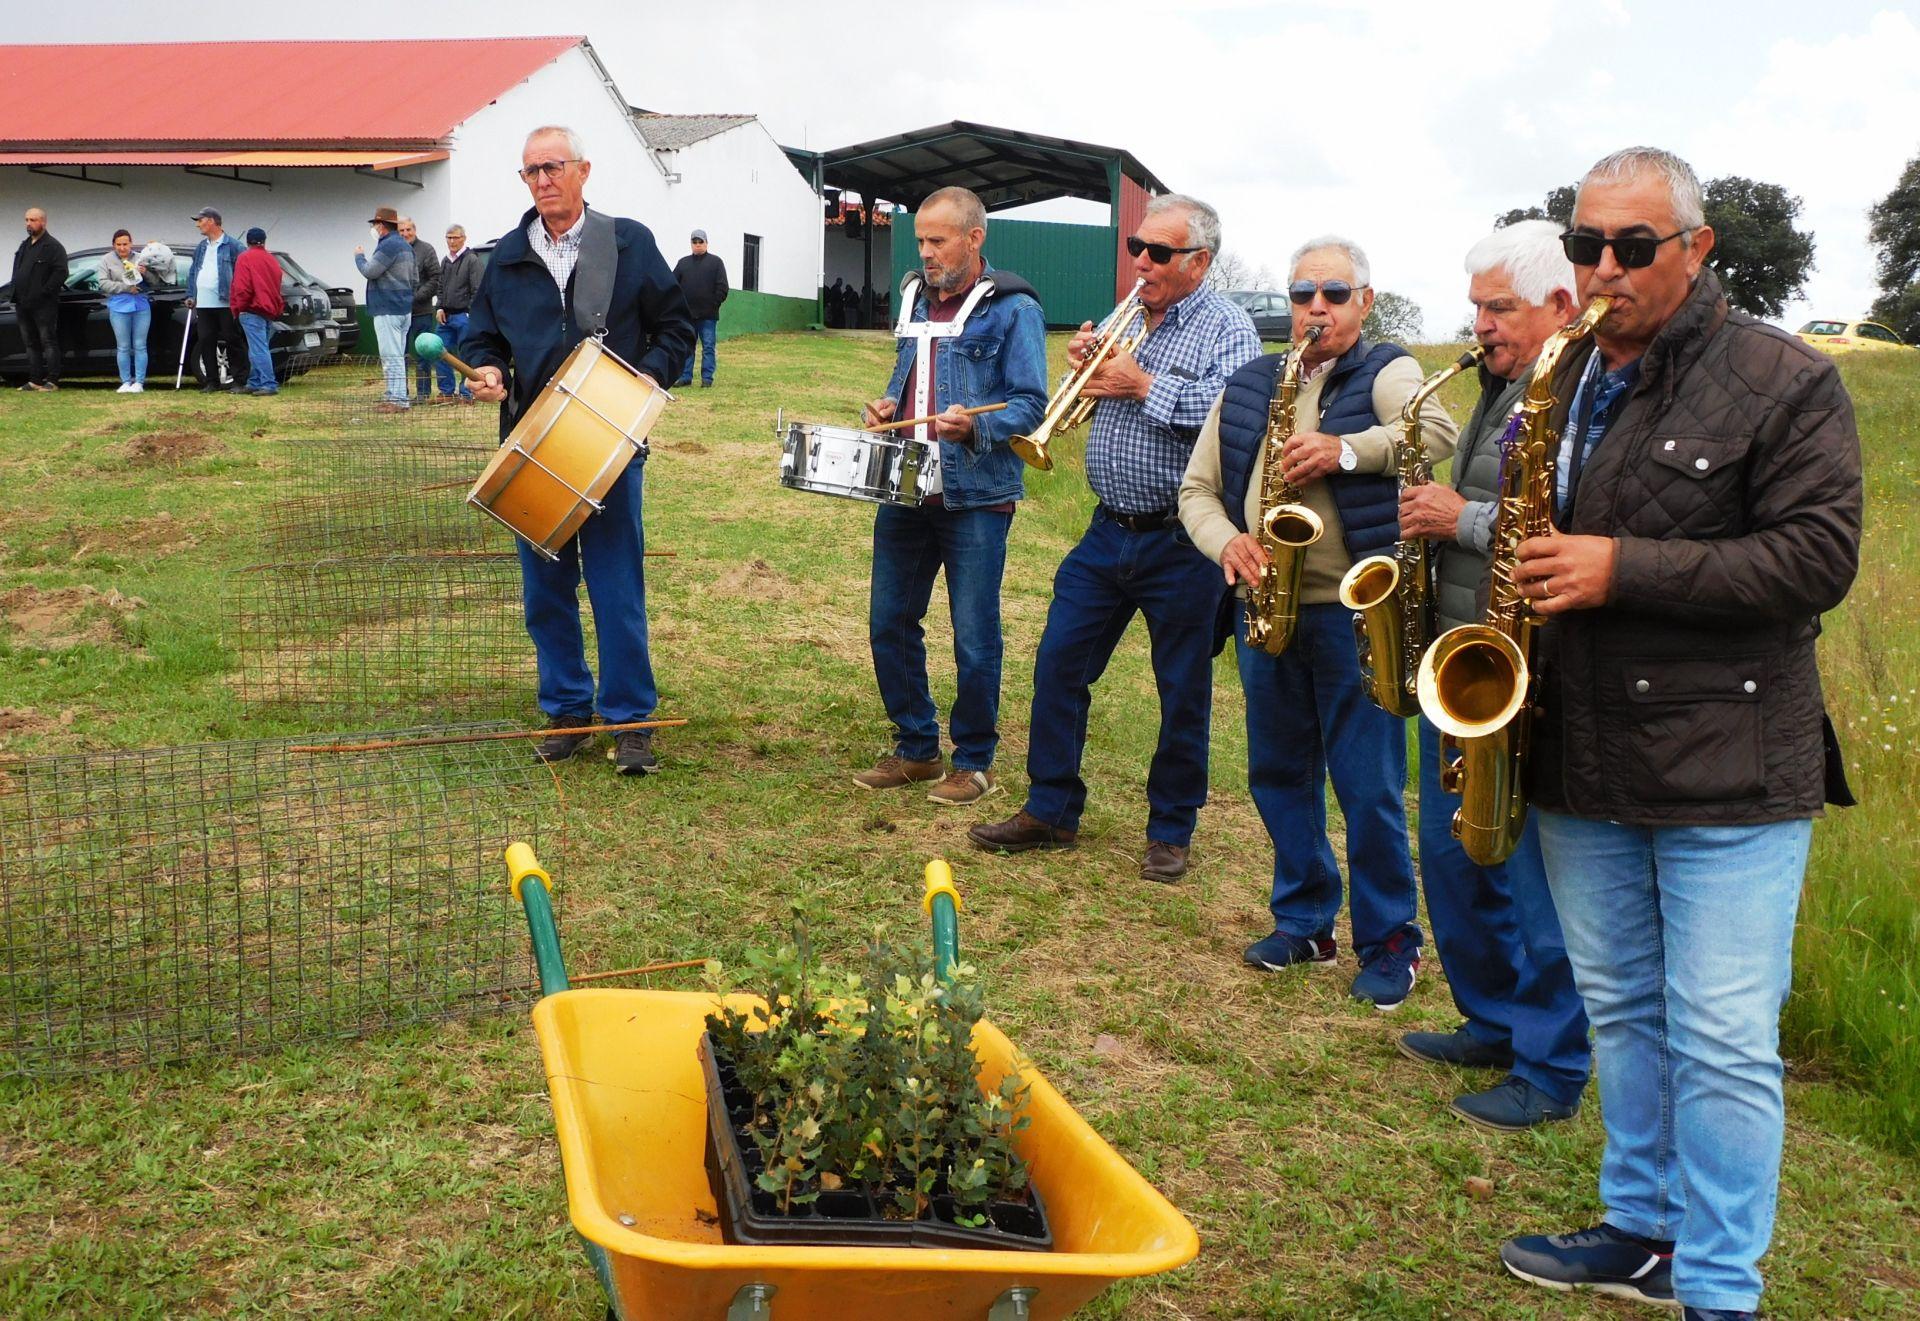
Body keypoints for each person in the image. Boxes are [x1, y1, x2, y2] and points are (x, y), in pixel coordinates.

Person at [1493, 148, 1862, 1321]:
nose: (1604, 268)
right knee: (1623, 1009)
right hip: (1579, 755)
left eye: (1633, 247)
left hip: (1729, 769)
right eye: (1585, 243)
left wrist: (1621, 569)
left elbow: (1817, 558)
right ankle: (1641, 1229)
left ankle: (1718, 1289)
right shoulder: (1557, 372)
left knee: (1722, 1040)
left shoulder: (1785, 379)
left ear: (1695, 250)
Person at [1178, 235, 1458, 1010]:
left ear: (1364, 302)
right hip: (1267, 605)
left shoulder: (1389, 367)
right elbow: (1197, 489)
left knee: (1367, 784)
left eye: (1335, 294)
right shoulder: (1249, 382)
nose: (1317, 308)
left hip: (1354, 615)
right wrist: (1225, 542)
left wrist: (1343, 451)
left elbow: (1436, 433)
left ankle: (1390, 941)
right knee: (1276, 771)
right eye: (1304, 294)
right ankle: (1303, 919)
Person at [969, 195, 1260, 882]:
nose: (1141, 262)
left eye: (1158, 253)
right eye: (1137, 247)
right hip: (1107, 531)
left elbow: (1240, 417)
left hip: (1184, 537)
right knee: (1059, 664)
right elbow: (1093, 398)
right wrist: (1087, 369)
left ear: (1199, 262)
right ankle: (1051, 807)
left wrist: (1141, 383)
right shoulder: (1132, 319)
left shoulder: (1228, 327)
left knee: (1181, 687)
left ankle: (1171, 829)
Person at [1392, 221, 1590, 1128]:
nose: (1480, 325)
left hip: (1530, 665)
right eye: (1475, 307)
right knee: (1454, 854)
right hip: (1462, 653)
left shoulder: (1578, 393)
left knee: (1536, 883)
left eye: (1498, 307)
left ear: (1560, 305)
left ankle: (1550, 1065)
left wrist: (1458, 518)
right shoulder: (1496, 383)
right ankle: (1492, 1018)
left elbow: (1563, 522)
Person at [463, 125, 694, 775]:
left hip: (608, 440)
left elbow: (675, 328)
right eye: (531, 170)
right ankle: (568, 710)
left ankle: (632, 721)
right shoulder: (506, 256)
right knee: (545, 591)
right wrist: (488, 370)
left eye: (553, 166)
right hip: (533, 444)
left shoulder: (627, 242)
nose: (543, 180)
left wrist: (651, 373)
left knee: (617, 586)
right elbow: (483, 336)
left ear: (583, 171)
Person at [851, 186, 1048, 806]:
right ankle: (917, 749)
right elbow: (910, 373)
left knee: (973, 633)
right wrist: (890, 406)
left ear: (974, 238)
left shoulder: (1013, 310)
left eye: (938, 241)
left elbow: (1031, 405)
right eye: (921, 241)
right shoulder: (914, 296)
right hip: (907, 487)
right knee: (890, 621)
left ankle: (974, 759)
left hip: (976, 497)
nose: (927, 253)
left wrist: (978, 427)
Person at [355, 206, 416, 413]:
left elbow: (370, 271)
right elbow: (415, 279)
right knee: (397, 354)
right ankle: (394, 395)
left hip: (387, 308)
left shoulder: (388, 246)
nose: (374, 228)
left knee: (391, 356)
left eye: (375, 224)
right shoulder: (407, 247)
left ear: (381, 226)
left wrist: (359, 257)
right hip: (404, 308)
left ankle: (398, 399)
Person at [183, 206, 248, 392]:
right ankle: (211, 381)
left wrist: (239, 298)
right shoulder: (202, 247)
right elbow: (194, 271)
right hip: (203, 303)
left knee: (232, 339)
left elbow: (242, 274)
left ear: (211, 221)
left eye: (200, 220)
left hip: (226, 302)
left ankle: (239, 380)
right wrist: (191, 294)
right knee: (205, 340)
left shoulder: (234, 246)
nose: (198, 225)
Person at [12, 207, 66, 391]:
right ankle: (34, 380)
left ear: (43, 222)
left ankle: (52, 380)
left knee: (48, 341)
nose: (29, 223)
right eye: (26, 220)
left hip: (43, 305)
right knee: (30, 343)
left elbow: (61, 273)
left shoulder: (53, 247)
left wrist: (44, 292)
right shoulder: (24, 245)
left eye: (33, 220)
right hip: (23, 303)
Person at [98, 228, 158, 394]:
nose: (122, 248)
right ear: (113, 245)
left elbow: (155, 281)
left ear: (131, 243)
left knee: (140, 345)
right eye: (119, 244)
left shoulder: (141, 258)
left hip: (141, 306)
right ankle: (125, 381)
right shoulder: (106, 260)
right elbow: (103, 283)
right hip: (119, 306)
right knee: (123, 346)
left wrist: (146, 273)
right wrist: (125, 288)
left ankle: (139, 382)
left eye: (125, 244)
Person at [229, 227, 284, 397]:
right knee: (260, 347)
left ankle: (268, 383)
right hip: (269, 309)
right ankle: (254, 382)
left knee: (258, 349)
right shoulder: (272, 259)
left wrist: (238, 307)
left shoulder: (244, 257)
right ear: (264, 241)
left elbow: (242, 287)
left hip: (251, 308)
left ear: (248, 241)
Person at [672, 228, 728, 388]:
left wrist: (713, 305)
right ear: (691, 244)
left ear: (706, 243)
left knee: (708, 347)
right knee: (687, 347)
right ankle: (685, 377)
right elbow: (673, 284)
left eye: (700, 242)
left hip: (708, 316)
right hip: (687, 315)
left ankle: (707, 378)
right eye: (694, 242)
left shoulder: (716, 262)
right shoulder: (683, 263)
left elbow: (723, 287)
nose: (697, 245)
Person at [398, 216, 445, 401]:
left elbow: (436, 278)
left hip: (422, 313)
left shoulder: (426, 250)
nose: (405, 234)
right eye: (401, 230)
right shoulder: (395, 251)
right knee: (400, 355)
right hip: (400, 314)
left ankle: (423, 394)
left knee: (423, 356)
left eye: (408, 230)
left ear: (414, 230)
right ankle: (401, 393)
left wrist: (416, 297)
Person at [437, 223, 483, 402]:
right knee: (439, 352)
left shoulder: (472, 260)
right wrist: (439, 307)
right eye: (448, 237)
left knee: (466, 355)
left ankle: (467, 393)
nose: (451, 241)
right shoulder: (445, 260)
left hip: (464, 316)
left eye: (455, 237)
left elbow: (478, 290)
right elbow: (440, 286)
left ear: (464, 238)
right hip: (445, 317)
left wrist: (470, 313)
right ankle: (447, 392)